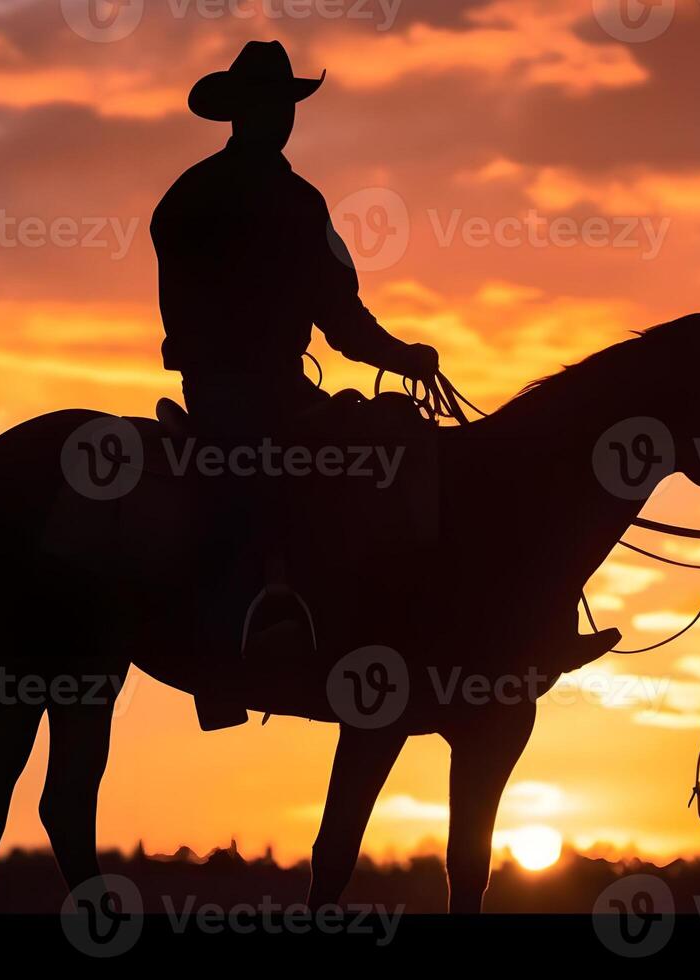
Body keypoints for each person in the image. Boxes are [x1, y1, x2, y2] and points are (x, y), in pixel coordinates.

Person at [151, 40, 437, 730]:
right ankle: (287, 625)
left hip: (213, 387)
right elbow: (342, 321)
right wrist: (406, 359)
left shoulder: (187, 196)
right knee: (352, 463)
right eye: (271, 105)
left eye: (285, 106)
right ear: (246, 113)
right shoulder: (300, 204)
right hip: (258, 393)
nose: (280, 118)